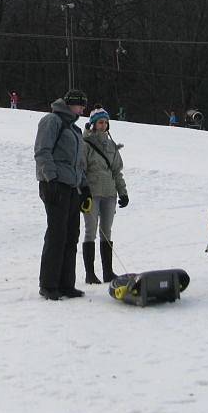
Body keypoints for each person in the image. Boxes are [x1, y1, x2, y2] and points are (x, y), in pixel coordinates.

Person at [34, 89, 92, 300]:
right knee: (57, 234)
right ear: (70, 104)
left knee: (71, 235)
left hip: (72, 187)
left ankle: (67, 283)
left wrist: (85, 187)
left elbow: (78, 164)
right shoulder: (52, 121)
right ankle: (48, 284)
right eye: (81, 105)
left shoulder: (74, 129)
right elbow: (42, 151)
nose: (83, 109)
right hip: (55, 186)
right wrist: (51, 178)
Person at [81, 108, 128, 284]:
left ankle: (108, 271)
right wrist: (83, 192)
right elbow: (81, 170)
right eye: (100, 122)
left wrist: (123, 192)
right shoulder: (85, 144)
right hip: (92, 194)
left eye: (105, 122)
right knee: (90, 231)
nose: (103, 125)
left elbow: (117, 172)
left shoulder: (111, 146)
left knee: (106, 232)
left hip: (109, 194)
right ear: (93, 124)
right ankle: (90, 274)